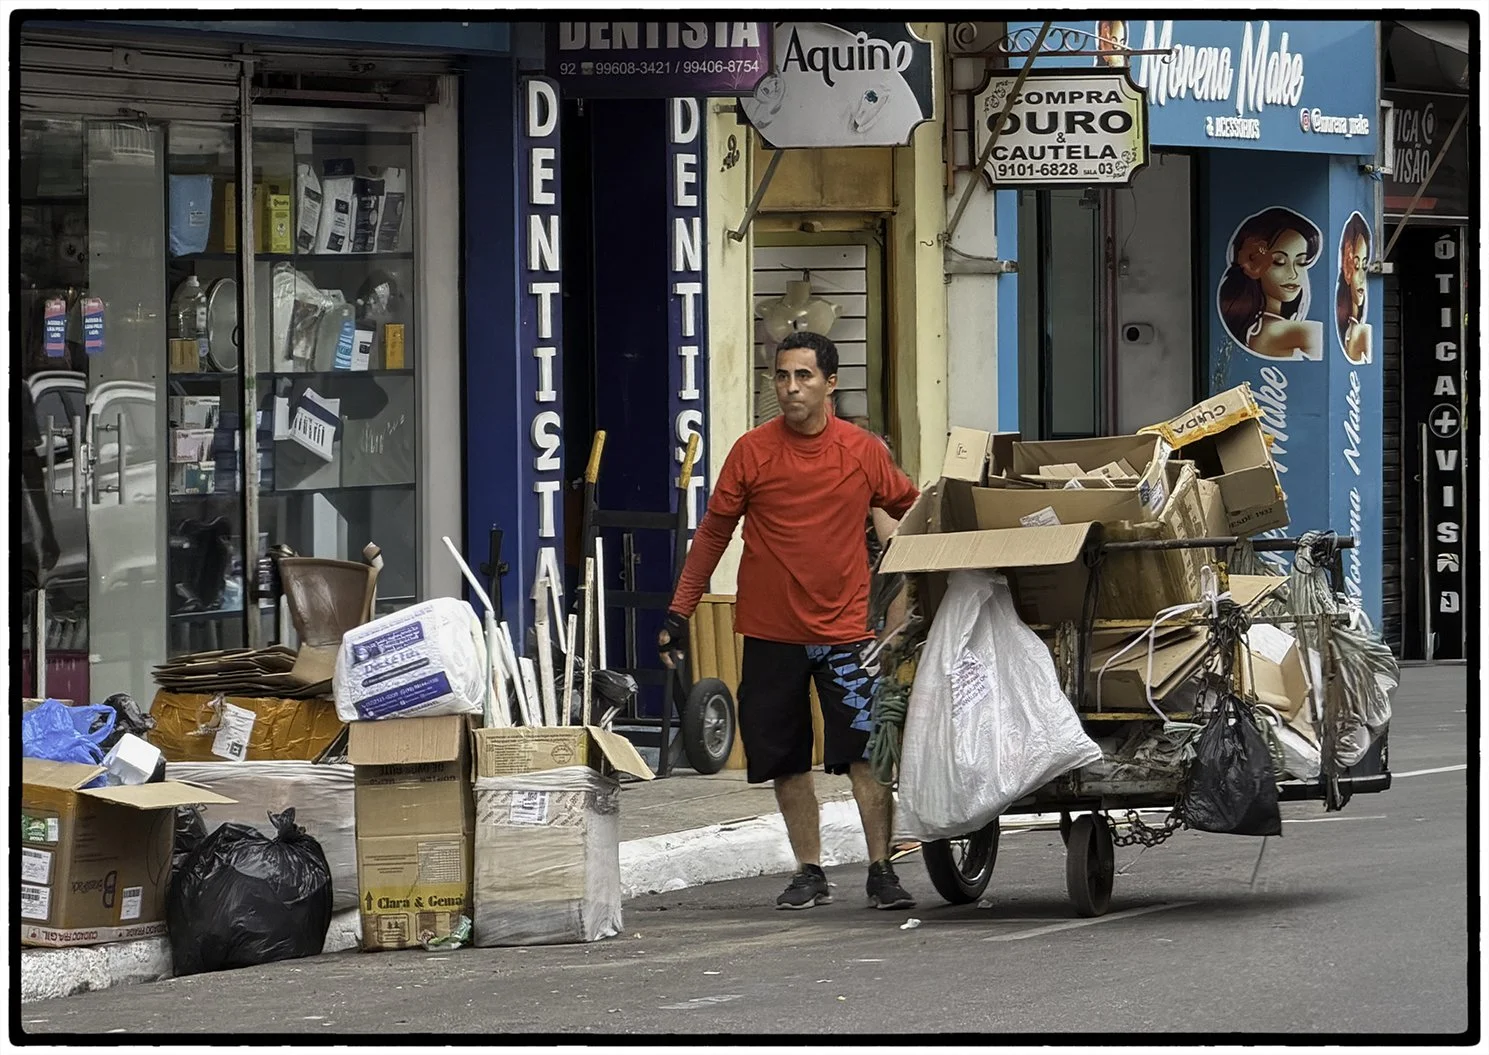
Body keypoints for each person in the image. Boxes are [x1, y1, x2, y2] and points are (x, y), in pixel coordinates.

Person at [657, 331, 921, 911]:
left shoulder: (862, 451)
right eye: (781, 376)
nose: (790, 388)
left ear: (831, 383)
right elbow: (712, 535)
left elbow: (916, 507)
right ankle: (809, 870)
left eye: (803, 376)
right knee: (785, 760)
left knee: (866, 757)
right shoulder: (752, 451)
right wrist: (680, 609)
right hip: (772, 635)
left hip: (847, 635)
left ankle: (881, 870)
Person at [1217, 206, 1324, 361]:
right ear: (1253, 266)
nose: (1293, 274)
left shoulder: (1259, 329)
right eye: (1278, 262)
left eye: (1301, 263)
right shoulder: (1283, 332)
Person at [1336, 212, 1373, 365]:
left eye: (1364, 267)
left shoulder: (1361, 330)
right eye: (1356, 266)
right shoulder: (1347, 326)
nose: (1362, 279)